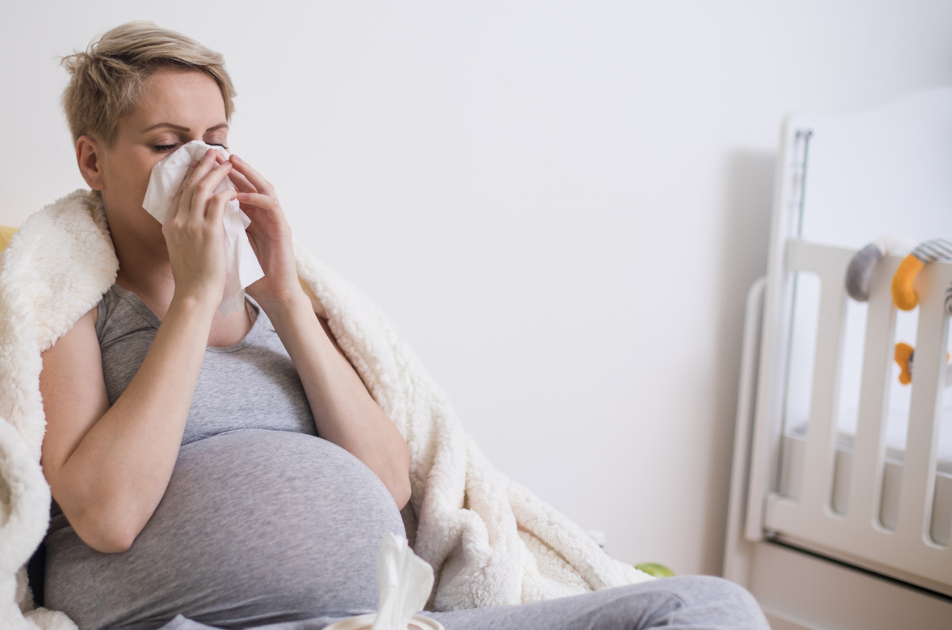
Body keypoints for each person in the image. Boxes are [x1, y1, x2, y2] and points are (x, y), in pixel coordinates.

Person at [38, 21, 769, 630]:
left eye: (216, 138)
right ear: (93, 161)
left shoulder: (284, 313)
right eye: (168, 143)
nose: (202, 164)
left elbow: (387, 482)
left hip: (385, 619)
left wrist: (287, 296)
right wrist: (193, 299)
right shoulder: (72, 307)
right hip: (205, 621)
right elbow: (107, 517)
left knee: (707, 606)